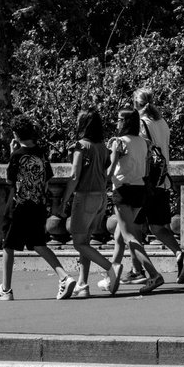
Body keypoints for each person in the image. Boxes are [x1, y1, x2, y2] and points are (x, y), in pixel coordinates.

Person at [0, 113, 77, 302]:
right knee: (39, 244)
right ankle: (64, 277)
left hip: (18, 206)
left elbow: (9, 180)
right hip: (37, 206)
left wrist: (12, 153)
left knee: (8, 245)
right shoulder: (42, 154)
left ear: (16, 135)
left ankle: (6, 289)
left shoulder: (17, 156)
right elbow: (47, 179)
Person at [122, 87, 184, 286]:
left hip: (146, 182)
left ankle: (137, 270)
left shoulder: (141, 123)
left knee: (133, 227)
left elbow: (139, 150)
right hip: (163, 180)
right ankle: (180, 254)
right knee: (157, 226)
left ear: (136, 104)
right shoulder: (162, 122)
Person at [99, 107, 163, 295]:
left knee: (129, 237)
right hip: (139, 189)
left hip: (123, 190)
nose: (116, 122)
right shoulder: (143, 143)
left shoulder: (118, 143)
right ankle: (112, 277)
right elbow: (145, 170)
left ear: (125, 122)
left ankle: (153, 273)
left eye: (119, 119)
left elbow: (110, 172)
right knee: (120, 236)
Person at [58, 107, 115, 298]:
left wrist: (64, 199)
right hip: (101, 196)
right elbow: (106, 172)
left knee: (78, 242)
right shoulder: (101, 147)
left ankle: (110, 268)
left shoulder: (80, 146)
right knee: (85, 242)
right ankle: (82, 284)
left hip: (85, 196)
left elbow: (74, 175)